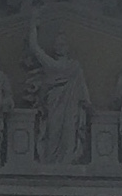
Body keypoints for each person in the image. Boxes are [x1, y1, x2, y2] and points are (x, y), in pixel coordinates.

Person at [25, 18, 90, 165]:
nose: (59, 47)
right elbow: (35, 47)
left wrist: (87, 103)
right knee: (52, 135)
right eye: (57, 45)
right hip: (54, 106)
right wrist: (33, 25)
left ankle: (66, 167)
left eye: (62, 45)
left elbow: (82, 89)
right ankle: (51, 165)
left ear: (67, 48)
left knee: (69, 136)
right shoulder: (50, 65)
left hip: (71, 108)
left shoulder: (74, 66)